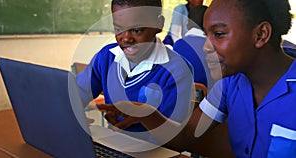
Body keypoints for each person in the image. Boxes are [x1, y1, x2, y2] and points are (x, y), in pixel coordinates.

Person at [95, 0, 296, 157]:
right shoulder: (229, 85)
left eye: (218, 34)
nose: (206, 46)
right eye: (207, 34)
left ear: (261, 34)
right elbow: (186, 135)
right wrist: (146, 114)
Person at [76, 0, 194, 141]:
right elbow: (77, 93)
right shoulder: (107, 57)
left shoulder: (177, 70)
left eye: (137, 30)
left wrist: (148, 117)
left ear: (159, 24)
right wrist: (72, 117)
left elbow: (176, 138)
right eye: (118, 29)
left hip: (157, 151)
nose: (126, 38)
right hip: (114, 144)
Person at [173, 5, 214, 90]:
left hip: (184, 95)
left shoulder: (178, 44)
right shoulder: (211, 46)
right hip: (208, 94)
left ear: (187, 25)